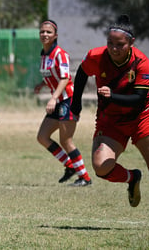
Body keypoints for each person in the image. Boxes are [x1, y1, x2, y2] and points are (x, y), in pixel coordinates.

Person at [71, 14, 149, 207]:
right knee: (101, 167)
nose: (114, 48)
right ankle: (132, 178)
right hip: (110, 120)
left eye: (120, 44)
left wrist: (112, 96)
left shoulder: (140, 62)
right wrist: (75, 105)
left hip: (141, 117)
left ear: (131, 43)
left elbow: (138, 99)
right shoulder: (96, 56)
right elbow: (81, 73)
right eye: (110, 43)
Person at [34, 19, 92, 186]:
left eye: (48, 32)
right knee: (42, 137)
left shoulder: (60, 54)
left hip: (69, 100)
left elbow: (65, 78)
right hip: (58, 100)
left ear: (55, 36)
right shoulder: (44, 54)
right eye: (42, 32)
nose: (44, 34)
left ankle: (85, 178)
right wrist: (41, 85)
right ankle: (70, 166)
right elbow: (51, 76)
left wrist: (52, 98)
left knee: (66, 140)